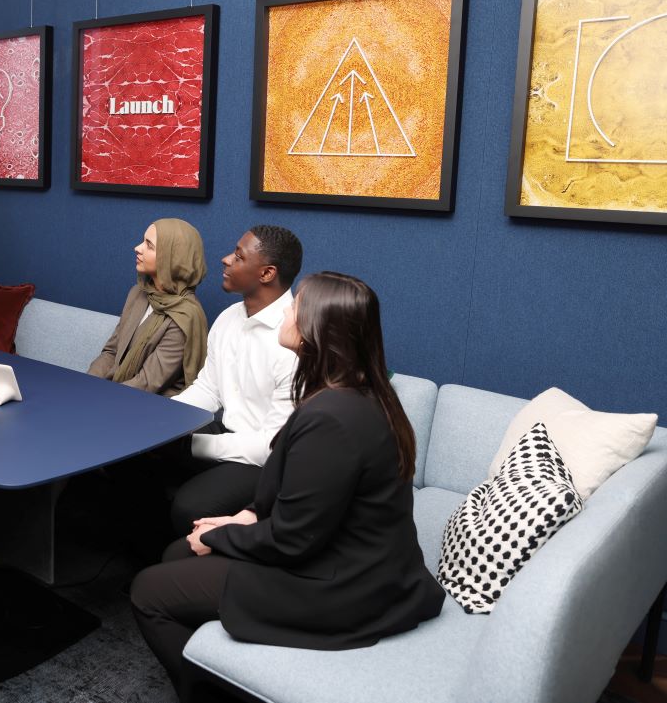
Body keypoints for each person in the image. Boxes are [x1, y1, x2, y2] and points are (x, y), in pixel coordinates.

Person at [131, 272, 445, 697]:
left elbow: (295, 539)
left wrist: (223, 536)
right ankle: (222, 659)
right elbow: (301, 497)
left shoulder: (333, 417)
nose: (287, 310)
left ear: (317, 329)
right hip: (346, 557)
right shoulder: (356, 393)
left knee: (147, 591)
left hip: (341, 586)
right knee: (177, 550)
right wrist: (241, 517)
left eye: (296, 307)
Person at [168, 225, 302, 533]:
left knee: (190, 506)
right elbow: (208, 389)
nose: (226, 260)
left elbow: (271, 446)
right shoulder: (229, 318)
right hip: (227, 435)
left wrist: (194, 445)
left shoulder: (294, 340)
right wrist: (163, 420)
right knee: (138, 457)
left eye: (239, 257)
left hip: (267, 462)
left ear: (267, 273)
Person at [87, 219, 208, 396]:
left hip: (150, 407)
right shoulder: (138, 293)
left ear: (171, 258)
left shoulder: (185, 317)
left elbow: (148, 382)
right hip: (114, 393)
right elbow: (111, 352)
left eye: (149, 245)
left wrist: (100, 398)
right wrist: (86, 385)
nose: (137, 248)